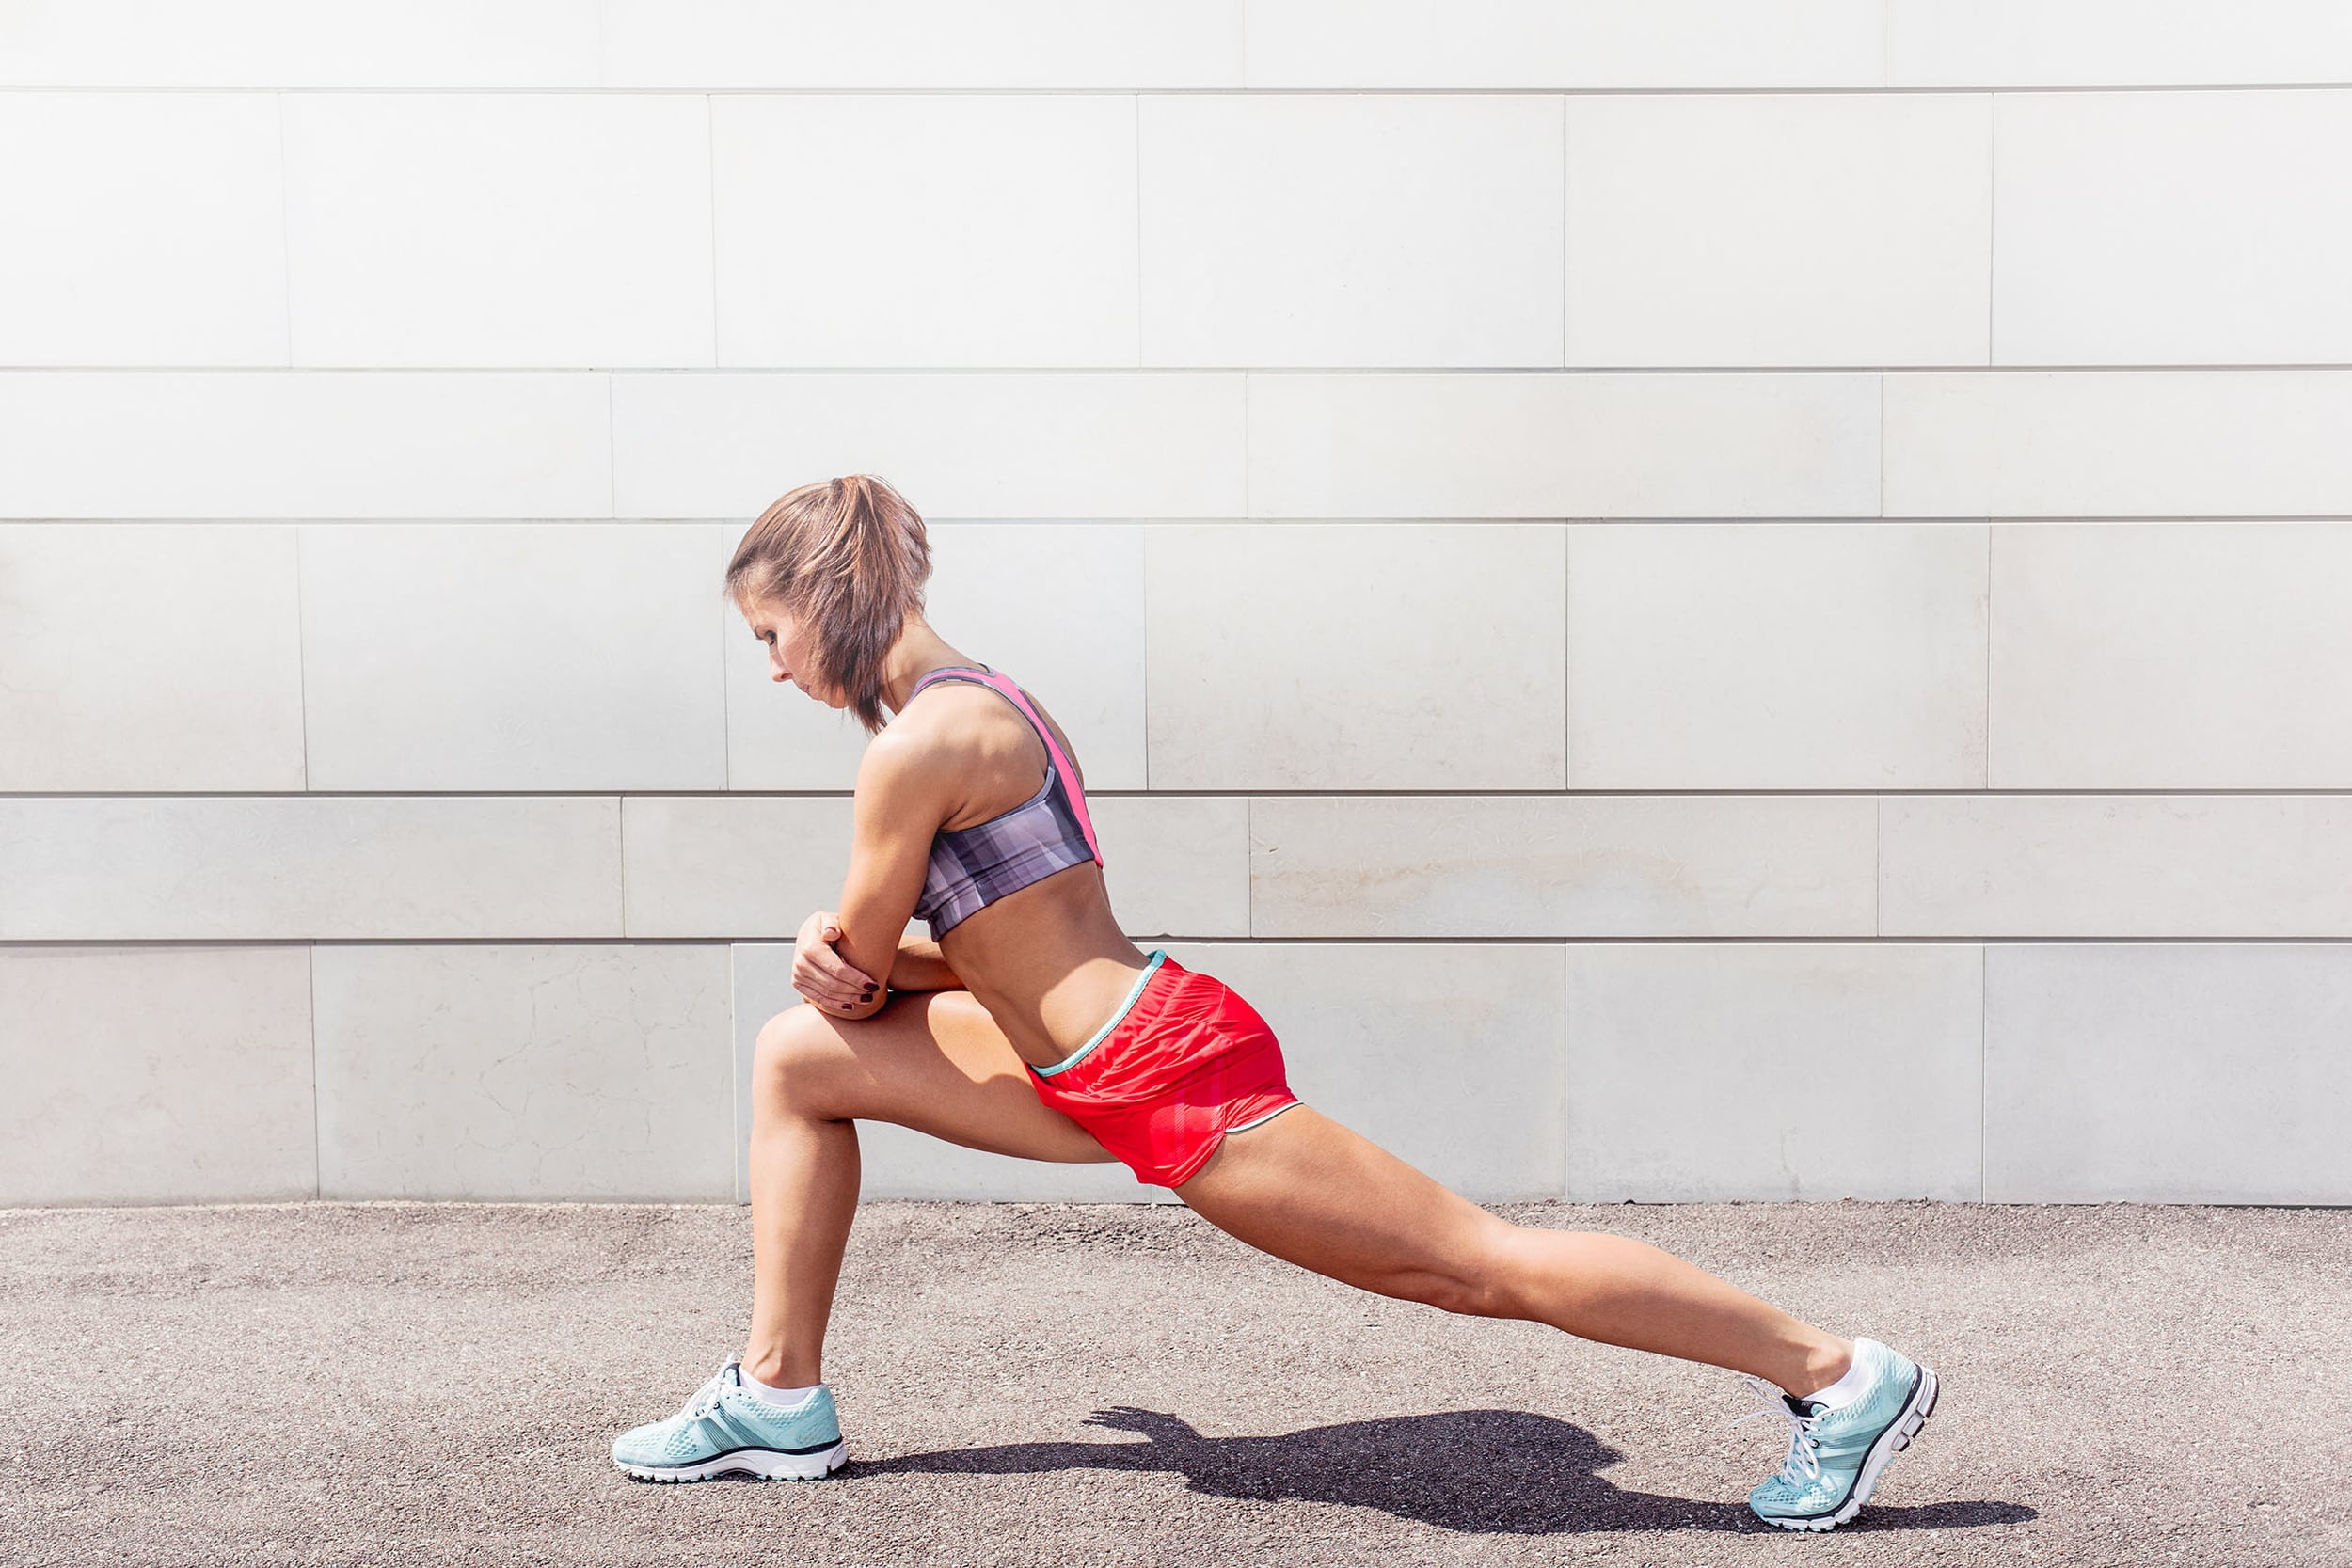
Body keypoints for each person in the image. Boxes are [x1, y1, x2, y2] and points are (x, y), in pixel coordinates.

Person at [610, 474, 1940, 1531]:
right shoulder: (988, 704)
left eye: (770, 636)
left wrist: (824, 944)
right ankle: (779, 1398)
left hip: (1163, 1073)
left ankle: (1837, 1375)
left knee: (1474, 1268)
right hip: (1091, 1057)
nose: (775, 668)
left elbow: (863, 952)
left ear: (824, 596)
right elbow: (980, 955)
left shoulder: (919, 746)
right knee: (801, 1060)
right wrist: (846, 970)